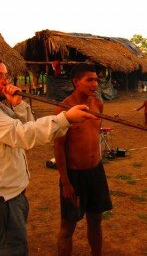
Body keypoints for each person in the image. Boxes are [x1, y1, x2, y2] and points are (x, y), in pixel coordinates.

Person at [0, 57, 97, 255]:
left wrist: (18, 105)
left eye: (6, 76)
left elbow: (27, 127)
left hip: (11, 199)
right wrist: (65, 118)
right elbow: (23, 135)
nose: (6, 82)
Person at [54, 64, 112, 256]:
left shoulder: (97, 104)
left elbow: (93, 136)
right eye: (90, 80)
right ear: (76, 82)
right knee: (68, 226)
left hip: (95, 171)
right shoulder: (63, 110)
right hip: (74, 175)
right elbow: (59, 147)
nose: (95, 84)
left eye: (96, 80)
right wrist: (65, 182)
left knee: (96, 220)